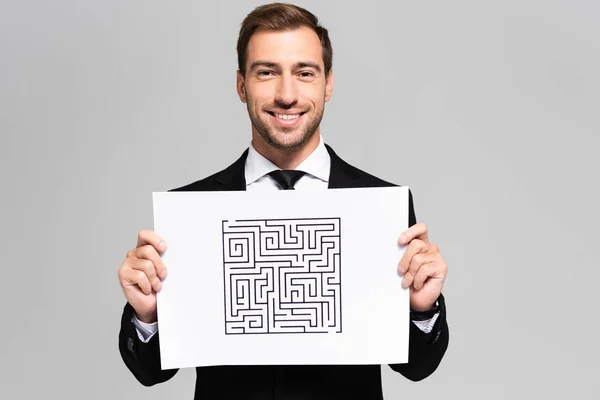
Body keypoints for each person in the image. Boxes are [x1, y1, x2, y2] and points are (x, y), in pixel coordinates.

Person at [118, 3, 449, 399]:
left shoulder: (380, 207)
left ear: (328, 84)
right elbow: (150, 373)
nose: (287, 95)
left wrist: (421, 310)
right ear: (242, 86)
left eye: (305, 73)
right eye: (267, 72)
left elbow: (416, 368)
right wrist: (147, 315)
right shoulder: (190, 211)